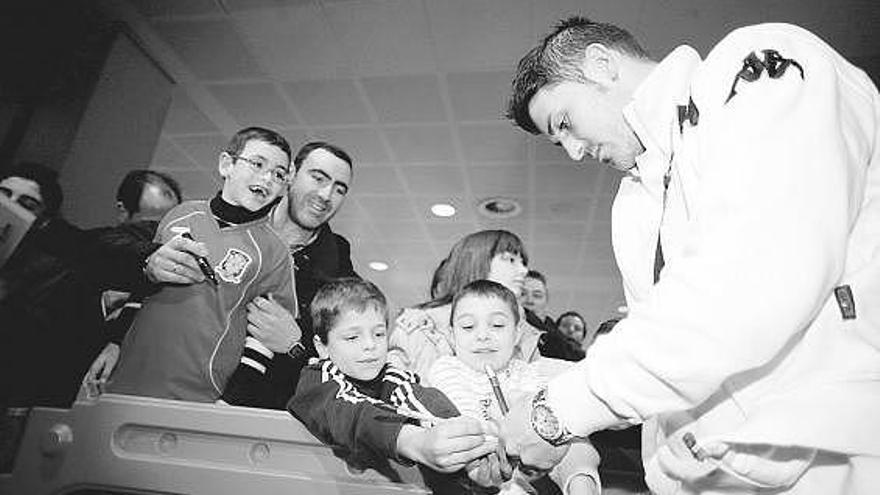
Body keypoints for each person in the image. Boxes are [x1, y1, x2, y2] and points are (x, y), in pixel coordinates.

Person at [499, 16, 880, 493]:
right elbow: (668, 354)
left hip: (830, 458)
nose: (574, 152)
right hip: (712, 474)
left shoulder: (752, 65)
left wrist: (559, 410)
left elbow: (750, 287)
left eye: (565, 124)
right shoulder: (634, 202)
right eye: (561, 144)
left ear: (600, 65)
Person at [134, 141, 357, 409]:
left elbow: (350, 367)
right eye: (318, 178)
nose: (326, 194)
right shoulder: (222, 214)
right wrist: (115, 339)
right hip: (162, 382)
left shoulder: (340, 278)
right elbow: (131, 260)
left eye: (339, 189)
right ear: (291, 175)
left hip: (252, 415)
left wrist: (296, 346)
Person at [107, 126, 297, 403]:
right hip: (127, 377)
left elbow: (264, 339)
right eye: (258, 164)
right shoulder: (180, 215)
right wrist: (114, 343)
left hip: (200, 395)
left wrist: (233, 400)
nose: (268, 178)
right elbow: (143, 288)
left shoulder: (274, 253)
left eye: (279, 174)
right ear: (227, 164)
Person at [287, 278, 510, 493]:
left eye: (379, 333)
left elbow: (420, 398)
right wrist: (412, 441)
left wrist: (463, 445)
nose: (370, 345)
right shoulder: (318, 378)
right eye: (353, 337)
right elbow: (352, 412)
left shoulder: (390, 375)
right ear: (322, 347)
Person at [428, 280, 600, 495]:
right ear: (453, 336)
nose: (483, 336)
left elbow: (549, 425)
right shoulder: (446, 368)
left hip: (533, 464)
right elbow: (468, 421)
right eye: (468, 327)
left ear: (517, 333)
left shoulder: (527, 372)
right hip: (479, 470)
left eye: (497, 326)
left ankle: (582, 486)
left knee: (571, 437)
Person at [0, 162, 105, 409]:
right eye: (4, 195)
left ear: (42, 220)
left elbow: (29, 348)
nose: (9, 206)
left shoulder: (51, 273)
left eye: (27, 205)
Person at [388, 229, 539, 384]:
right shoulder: (421, 328)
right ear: (478, 261)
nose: (524, 271)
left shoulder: (526, 333)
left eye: (523, 263)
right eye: (511, 260)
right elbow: (397, 397)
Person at [82, 170, 183, 389]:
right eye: (147, 225)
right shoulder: (94, 247)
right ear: (123, 212)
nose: (156, 235)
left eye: (166, 225)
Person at [524, 270, 585, 362]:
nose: (529, 301)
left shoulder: (560, 342)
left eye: (537, 295)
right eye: (522, 294)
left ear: (546, 301)